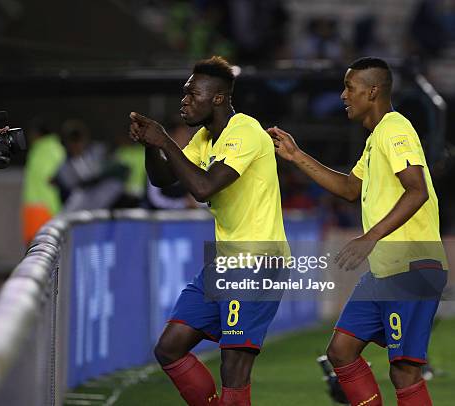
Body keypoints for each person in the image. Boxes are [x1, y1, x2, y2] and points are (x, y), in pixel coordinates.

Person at [268, 57, 447, 405]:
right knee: (341, 350)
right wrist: (296, 155)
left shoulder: (395, 128)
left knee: (404, 370)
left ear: (373, 90)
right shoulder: (376, 137)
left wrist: (371, 236)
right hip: (386, 270)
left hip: (411, 267)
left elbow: (417, 189)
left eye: (350, 87)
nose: (343, 95)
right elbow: (350, 189)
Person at [129, 56, 289, 405]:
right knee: (169, 348)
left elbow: (203, 188)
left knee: (233, 369)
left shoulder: (244, 131)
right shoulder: (204, 138)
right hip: (225, 263)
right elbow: (163, 179)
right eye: (184, 93)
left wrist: (166, 140)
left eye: (192, 94)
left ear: (218, 98)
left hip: (258, 263)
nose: (184, 100)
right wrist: (152, 146)